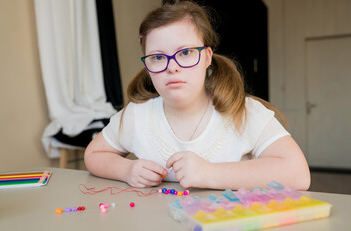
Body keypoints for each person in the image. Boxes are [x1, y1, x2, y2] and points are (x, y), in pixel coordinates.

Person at [84, 1, 310, 191]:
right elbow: (94, 154)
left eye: (185, 53)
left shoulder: (243, 111)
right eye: (158, 57)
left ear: (207, 57)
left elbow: (298, 174)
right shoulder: (137, 115)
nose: (172, 67)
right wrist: (127, 170)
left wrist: (210, 173)